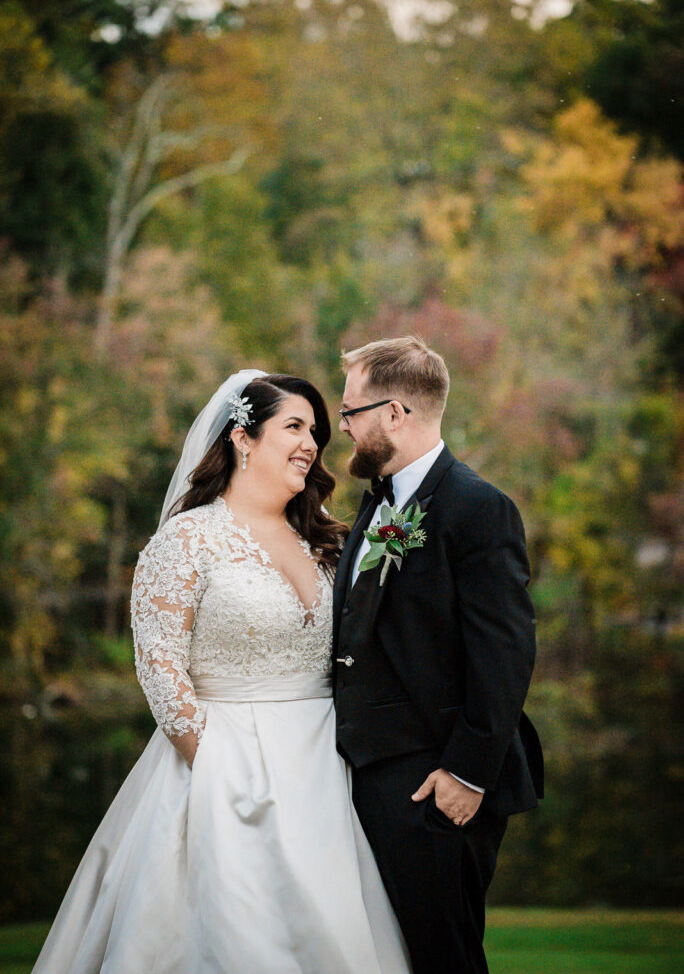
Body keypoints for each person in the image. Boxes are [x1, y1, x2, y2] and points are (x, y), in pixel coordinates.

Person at [33, 370, 412, 974]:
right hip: (219, 768)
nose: (311, 443)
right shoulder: (185, 540)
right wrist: (212, 767)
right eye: (293, 426)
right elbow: (159, 664)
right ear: (242, 438)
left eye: (315, 431)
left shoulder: (331, 542)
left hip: (327, 772)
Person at [333, 337, 544, 974]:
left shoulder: (477, 508)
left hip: (437, 782)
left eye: (351, 412)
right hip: (369, 772)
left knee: (442, 958)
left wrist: (466, 773)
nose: (343, 428)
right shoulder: (377, 503)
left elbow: (506, 652)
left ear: (395, 413)